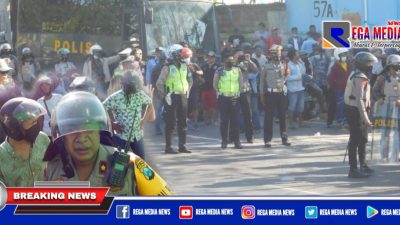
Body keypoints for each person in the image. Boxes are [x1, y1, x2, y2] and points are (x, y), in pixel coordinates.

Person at [44, 91, 172, 196]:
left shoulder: (132, 164)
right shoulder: (50, 169)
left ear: (100, 131)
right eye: (72, 130)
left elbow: (169, 208)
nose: (82, 139)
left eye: (89, 129)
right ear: (62, 137)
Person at [103, 72, 155, 160]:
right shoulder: (115, 97)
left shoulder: (139, 94)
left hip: (137, 136)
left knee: (141, 163)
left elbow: (150, 104)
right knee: (119, 164)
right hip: (121, 137)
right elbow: (101, 109)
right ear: (122, 84)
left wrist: (143, 121)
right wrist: (112, 124)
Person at [0, 97, 50, 187]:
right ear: (14, 128)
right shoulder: (1, 156)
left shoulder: (42, 138)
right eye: (32, 123)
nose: (36, 126)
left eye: (36, 121)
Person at [344, 51, 377, 178]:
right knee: (355, 139)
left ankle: (363, 165)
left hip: (358, 109)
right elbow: (359, 100)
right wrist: (366, 118)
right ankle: (353, 169)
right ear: (362, 64)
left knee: (363, 139)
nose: (370, 65)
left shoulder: (360, 74)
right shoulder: (359, 77)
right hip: (355, 111)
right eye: (368, 63)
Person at [156, 45, 193, 154]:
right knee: (170, 122)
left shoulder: (185, 67)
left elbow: (190, 80)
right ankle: (169, 147)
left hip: (182, 96)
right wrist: (164, 96)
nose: (183, 55)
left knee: (183, 121)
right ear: (175, 54)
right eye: (180, 53)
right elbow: (159, 83)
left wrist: (187, 91)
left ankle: (183, 146)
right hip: (171, 96)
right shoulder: (167, 67)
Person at [260, 45, 290, 148]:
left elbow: (285, 77)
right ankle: (267, 140)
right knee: (269, 117)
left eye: (278, 54)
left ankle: (284, 138)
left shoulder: (284, 65)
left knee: (283, 116)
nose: (277, 56)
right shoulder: (266, 66)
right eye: (275, 54)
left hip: (281, 93)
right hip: (270, 93)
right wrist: (261, 94)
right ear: (271, 55)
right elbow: (262, 81)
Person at [372, 54, 400, 163]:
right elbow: (375, 90)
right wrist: (379, 98)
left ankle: (397, 155)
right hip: (386, 105)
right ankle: (384, 155)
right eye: (394, 67)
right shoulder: (382, 77)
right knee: (385, 131)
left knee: (398, 132)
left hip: (398, 106)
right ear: (389, 66)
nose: (396, 69)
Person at [214, 55, 243, 149]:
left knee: (235, 120)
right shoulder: (220, 70)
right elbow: (215, 83)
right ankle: (224, 141)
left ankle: (236, 141)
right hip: (223, 97)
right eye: (228, 60)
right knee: (224, 120)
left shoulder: (237, 70)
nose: (230, 62)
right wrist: (219, 91)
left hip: (234, 97)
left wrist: (239, 91)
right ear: (224, 61)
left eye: (232, 60)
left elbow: (240, 82)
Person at [328, 48, 351, 127]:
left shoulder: (348, 64)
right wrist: (333, 87)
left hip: (348, 88)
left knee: (347, 104)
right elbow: (330, 78)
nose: (345, 56)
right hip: (339, 89)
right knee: (340, 104)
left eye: (345, 54)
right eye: (343, 55)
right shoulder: (335, 66)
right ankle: (340, 120)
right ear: (338, 56)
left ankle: (345, 119)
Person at [237, 50, 257, 143]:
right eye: (239, 56)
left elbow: (255, 70)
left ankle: (250, 136)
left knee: (248, 115)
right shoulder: (232, 64)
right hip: (235, 92)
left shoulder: (246, 64)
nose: (241, 57)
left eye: (242, 56)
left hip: (245, 91)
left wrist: (249, 61)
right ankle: (233, 136)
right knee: (234, 115)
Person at [287, 50, 306, 129]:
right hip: (292, 90)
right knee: (292, 107)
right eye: (297, 54)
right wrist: (298, 77)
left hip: (300, 88)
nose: (299, 55)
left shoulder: (299, 63)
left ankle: (301, 123)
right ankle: (290, 124)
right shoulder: (288, 65)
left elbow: (303, 72)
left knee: (300, 107)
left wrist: (302, 63)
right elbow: (287, 78)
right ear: (293, 56)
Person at [151, 51, 167, 135]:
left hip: (157, 91)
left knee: (159, 110)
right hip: (167, 90)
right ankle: (172, 128)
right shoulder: (167, 67)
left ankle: (158, 129)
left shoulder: (155, 67)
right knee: (170, 109)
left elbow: (152, 81)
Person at [201, 51, 219, 126]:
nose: (210, 59)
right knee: (205, 106)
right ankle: (207, 120)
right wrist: (200, 79)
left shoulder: (218, 66)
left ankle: (213, 120)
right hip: (205, 88)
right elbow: (200, 75)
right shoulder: (203, 66)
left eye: (212, 57)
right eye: (209, 57)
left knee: (213, 106)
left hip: (213, 88)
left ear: (214, 58)